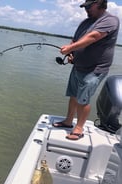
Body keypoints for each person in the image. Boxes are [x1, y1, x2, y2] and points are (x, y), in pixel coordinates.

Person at [52, 0, 120, 140]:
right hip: (78, 66)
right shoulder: (85, 22)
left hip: (95, 69)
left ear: (100, 3)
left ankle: (79, 128)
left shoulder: (110, 20)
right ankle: (68, 121)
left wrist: (70, 49)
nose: (86, 9)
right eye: (85, 7)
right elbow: (75, 39)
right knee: (74, 95)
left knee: (83, 99)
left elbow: (93, 37)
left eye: (89, 6)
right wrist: (71, 54)